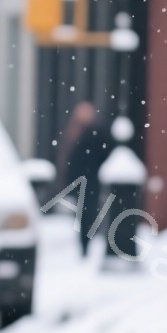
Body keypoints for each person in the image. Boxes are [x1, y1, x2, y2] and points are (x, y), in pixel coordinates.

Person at [59, 101, 109, 257]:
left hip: (89, 182)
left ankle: (86, 246)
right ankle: (86, 246)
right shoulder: (80, 134)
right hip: (85, 182)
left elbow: (74, 160)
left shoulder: (92, 135)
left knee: (87, 216)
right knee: (85, 216)